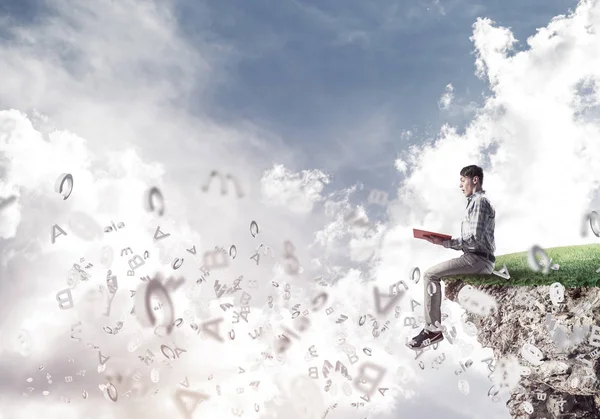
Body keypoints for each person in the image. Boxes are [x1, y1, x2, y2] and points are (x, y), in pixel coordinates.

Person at [407, 165, 496, 350]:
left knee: (430, 275)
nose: (460, 185)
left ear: (475, 180)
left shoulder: (479, 201)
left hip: (478, 259)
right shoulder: (474, 203)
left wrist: (445, 243)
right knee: (436, 274)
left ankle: (432, 330)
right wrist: (443, 241)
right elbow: (473, 240)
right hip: (476, 257)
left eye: (463, 180)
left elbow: (474, 239)